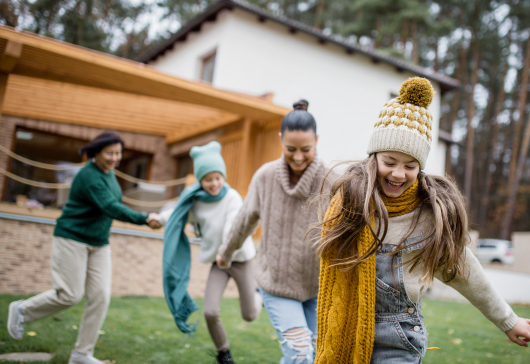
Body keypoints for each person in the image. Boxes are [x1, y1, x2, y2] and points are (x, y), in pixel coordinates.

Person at [313, 77, 530, 364]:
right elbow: (328, 265)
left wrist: (508, 320)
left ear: (420, 168)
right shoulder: (350, 206)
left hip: (400, 340)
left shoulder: (428, 217)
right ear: (374, 158)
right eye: (389, 162)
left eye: (410, 166)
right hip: (350, 332)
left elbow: (464, 270)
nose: (398, 174)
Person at [6, 130, 162, 364]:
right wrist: (143, 218)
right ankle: (22, 310)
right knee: (69, 295)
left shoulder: (109, 174)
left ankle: (82, 354)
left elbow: (111, 204)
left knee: (100, 296)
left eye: (118, 153)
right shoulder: (89, 175)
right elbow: (110, 206)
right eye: (109, 153)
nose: (114, 158)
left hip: (99, 243)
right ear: (96, 152)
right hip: (72, 238)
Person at [216, 100, 326, 364]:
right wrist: (226, 252)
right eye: (290, 149)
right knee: (299, 354)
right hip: (276, 283)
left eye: (306, 149)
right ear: (280, 140)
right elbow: (244, 219)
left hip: (317, 287)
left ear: (317, 140)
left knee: (318, 357)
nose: (298, 157)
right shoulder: (265, 177)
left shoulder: (331, 179)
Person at [159, 141, 261, 364]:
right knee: (210, 312)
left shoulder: (232, 197)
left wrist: (225, 253)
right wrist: (159, 220)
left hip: (240, 260)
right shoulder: (196, 200)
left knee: (249, 314)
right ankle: (223, 353)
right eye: (208, 179)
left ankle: (258, 295)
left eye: (217, 177)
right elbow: (178, 213)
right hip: (219, 263)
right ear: (200, 180)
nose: (214, 183)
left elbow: (231, 229)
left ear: (223, 176)